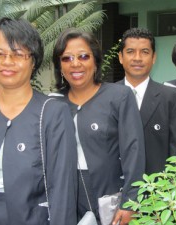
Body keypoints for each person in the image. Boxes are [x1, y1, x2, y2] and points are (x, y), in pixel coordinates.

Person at [0, 17, 78, 225]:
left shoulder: (52, 113)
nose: (7, 62)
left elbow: (63, 189)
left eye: (18, 54)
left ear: (33, 60)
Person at [51, 28, 145, 225]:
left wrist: (130, 203)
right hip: (66, 198)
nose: (75, 64)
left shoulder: (119, 96)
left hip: (109, 197)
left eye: (83, 56)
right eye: (66, 58)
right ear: (59, 66)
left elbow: (133, 152)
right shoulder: (53, 104)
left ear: (95, 61)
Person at [117, 28, 176, 175]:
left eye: (145, 52)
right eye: (130, 52)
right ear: (120, 57)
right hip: (113, 191)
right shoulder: (106, 96)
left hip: (157, 191)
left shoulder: (172, 98)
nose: (137, 58)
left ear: (154, 57)